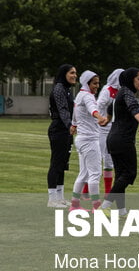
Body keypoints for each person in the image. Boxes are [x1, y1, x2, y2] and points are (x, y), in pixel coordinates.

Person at [99, 68, 139, 214]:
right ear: (130, 79)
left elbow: (110, 107)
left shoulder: (121, 92)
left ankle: (122, 211)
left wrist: (107, 119)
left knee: (120, 175)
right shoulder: (127, 93)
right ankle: (105, 205)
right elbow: (134, 109)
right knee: (129, 174)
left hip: (113, 139)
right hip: (123, 140)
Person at [69, 70, 109, 210]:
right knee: (95, 174)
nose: (97, 86)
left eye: (98, 83)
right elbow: (93, 109)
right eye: (94, 83)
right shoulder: (88, 96)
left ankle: (74, 204)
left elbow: (75, 114)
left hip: (81, 139)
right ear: (87, 83)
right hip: (90, 140)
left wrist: (74, 125)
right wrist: (100, 117)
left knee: (84, 173)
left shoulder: (80, 95)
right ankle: (96, 207)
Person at [46, 64, 77, 207]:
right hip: (59, 129)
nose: (74, 75)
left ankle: (60, 197)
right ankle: (52, 199)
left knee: (63, 164)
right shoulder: (59, 89)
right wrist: (70, 125)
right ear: (64, 74)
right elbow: (63, 110)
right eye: (72, 73)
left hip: (66, 129)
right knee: (56, 163)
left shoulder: (67, 90)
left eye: (75, 73)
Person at [95, 67, 124, 195]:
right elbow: (99, 105)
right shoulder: (107, 90)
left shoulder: (121, 91)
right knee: (99, 158)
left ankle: (108, 191)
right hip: (102, 129)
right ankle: (86, 190)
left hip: (113, 129)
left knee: (109, 160)